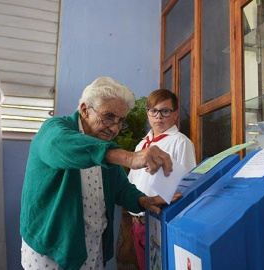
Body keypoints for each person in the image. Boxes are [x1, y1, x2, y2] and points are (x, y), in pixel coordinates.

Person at [19, 77, 182, 270]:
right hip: (51, 250)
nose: (114, 128)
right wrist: (130, 158)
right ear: (85, 109)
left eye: (121, 121)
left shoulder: (103, 145)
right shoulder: (55, 129)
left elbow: (120, 187)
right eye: (108, 116)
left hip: (91, 248)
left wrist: (143, 201)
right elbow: (59, 145)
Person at [127, 89, 196, 269]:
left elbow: (186, 187)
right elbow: (132, 181)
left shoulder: (180, 142)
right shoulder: (142, 144)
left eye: (165, 111)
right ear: (147, 114)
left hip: (160, 221)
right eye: (153, 111)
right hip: (137, 221)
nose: (158, 116)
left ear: (175, 114)